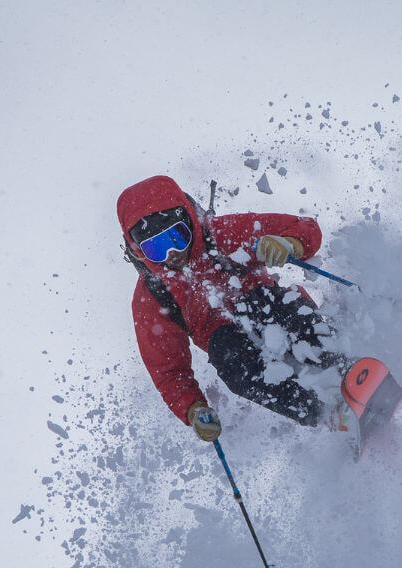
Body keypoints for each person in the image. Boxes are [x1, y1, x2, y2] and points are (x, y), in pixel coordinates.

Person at [117, 175, 351, 442]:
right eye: (156, 248)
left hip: (269, 307)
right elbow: (169, 371)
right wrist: (194, 409)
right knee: (229, 358)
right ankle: (324, 412)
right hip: (232, 346)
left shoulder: (220, 234)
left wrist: (287, 244)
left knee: (273, 308)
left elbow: (305, 229)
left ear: (190, 223)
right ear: (138, 252)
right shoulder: (153, 296)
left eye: (177, 237)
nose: (172, 252)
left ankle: (350, 370)